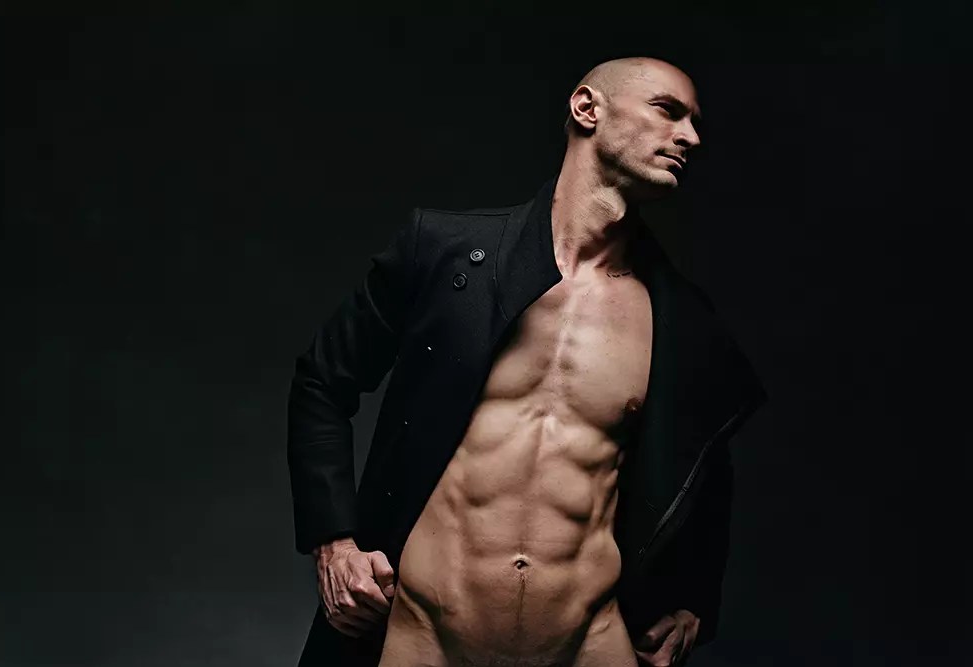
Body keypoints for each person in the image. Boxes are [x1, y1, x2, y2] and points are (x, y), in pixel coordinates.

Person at [288, 57, 768, 667]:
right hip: (425, 633)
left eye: (696, 123)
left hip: (589, 641)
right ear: (587, 109)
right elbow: (322, 383)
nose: (691, 138)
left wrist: (693, 597)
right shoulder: (444, 253)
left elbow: (705, 461)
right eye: (668, 111)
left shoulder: (682, 322)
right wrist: (334, 544)